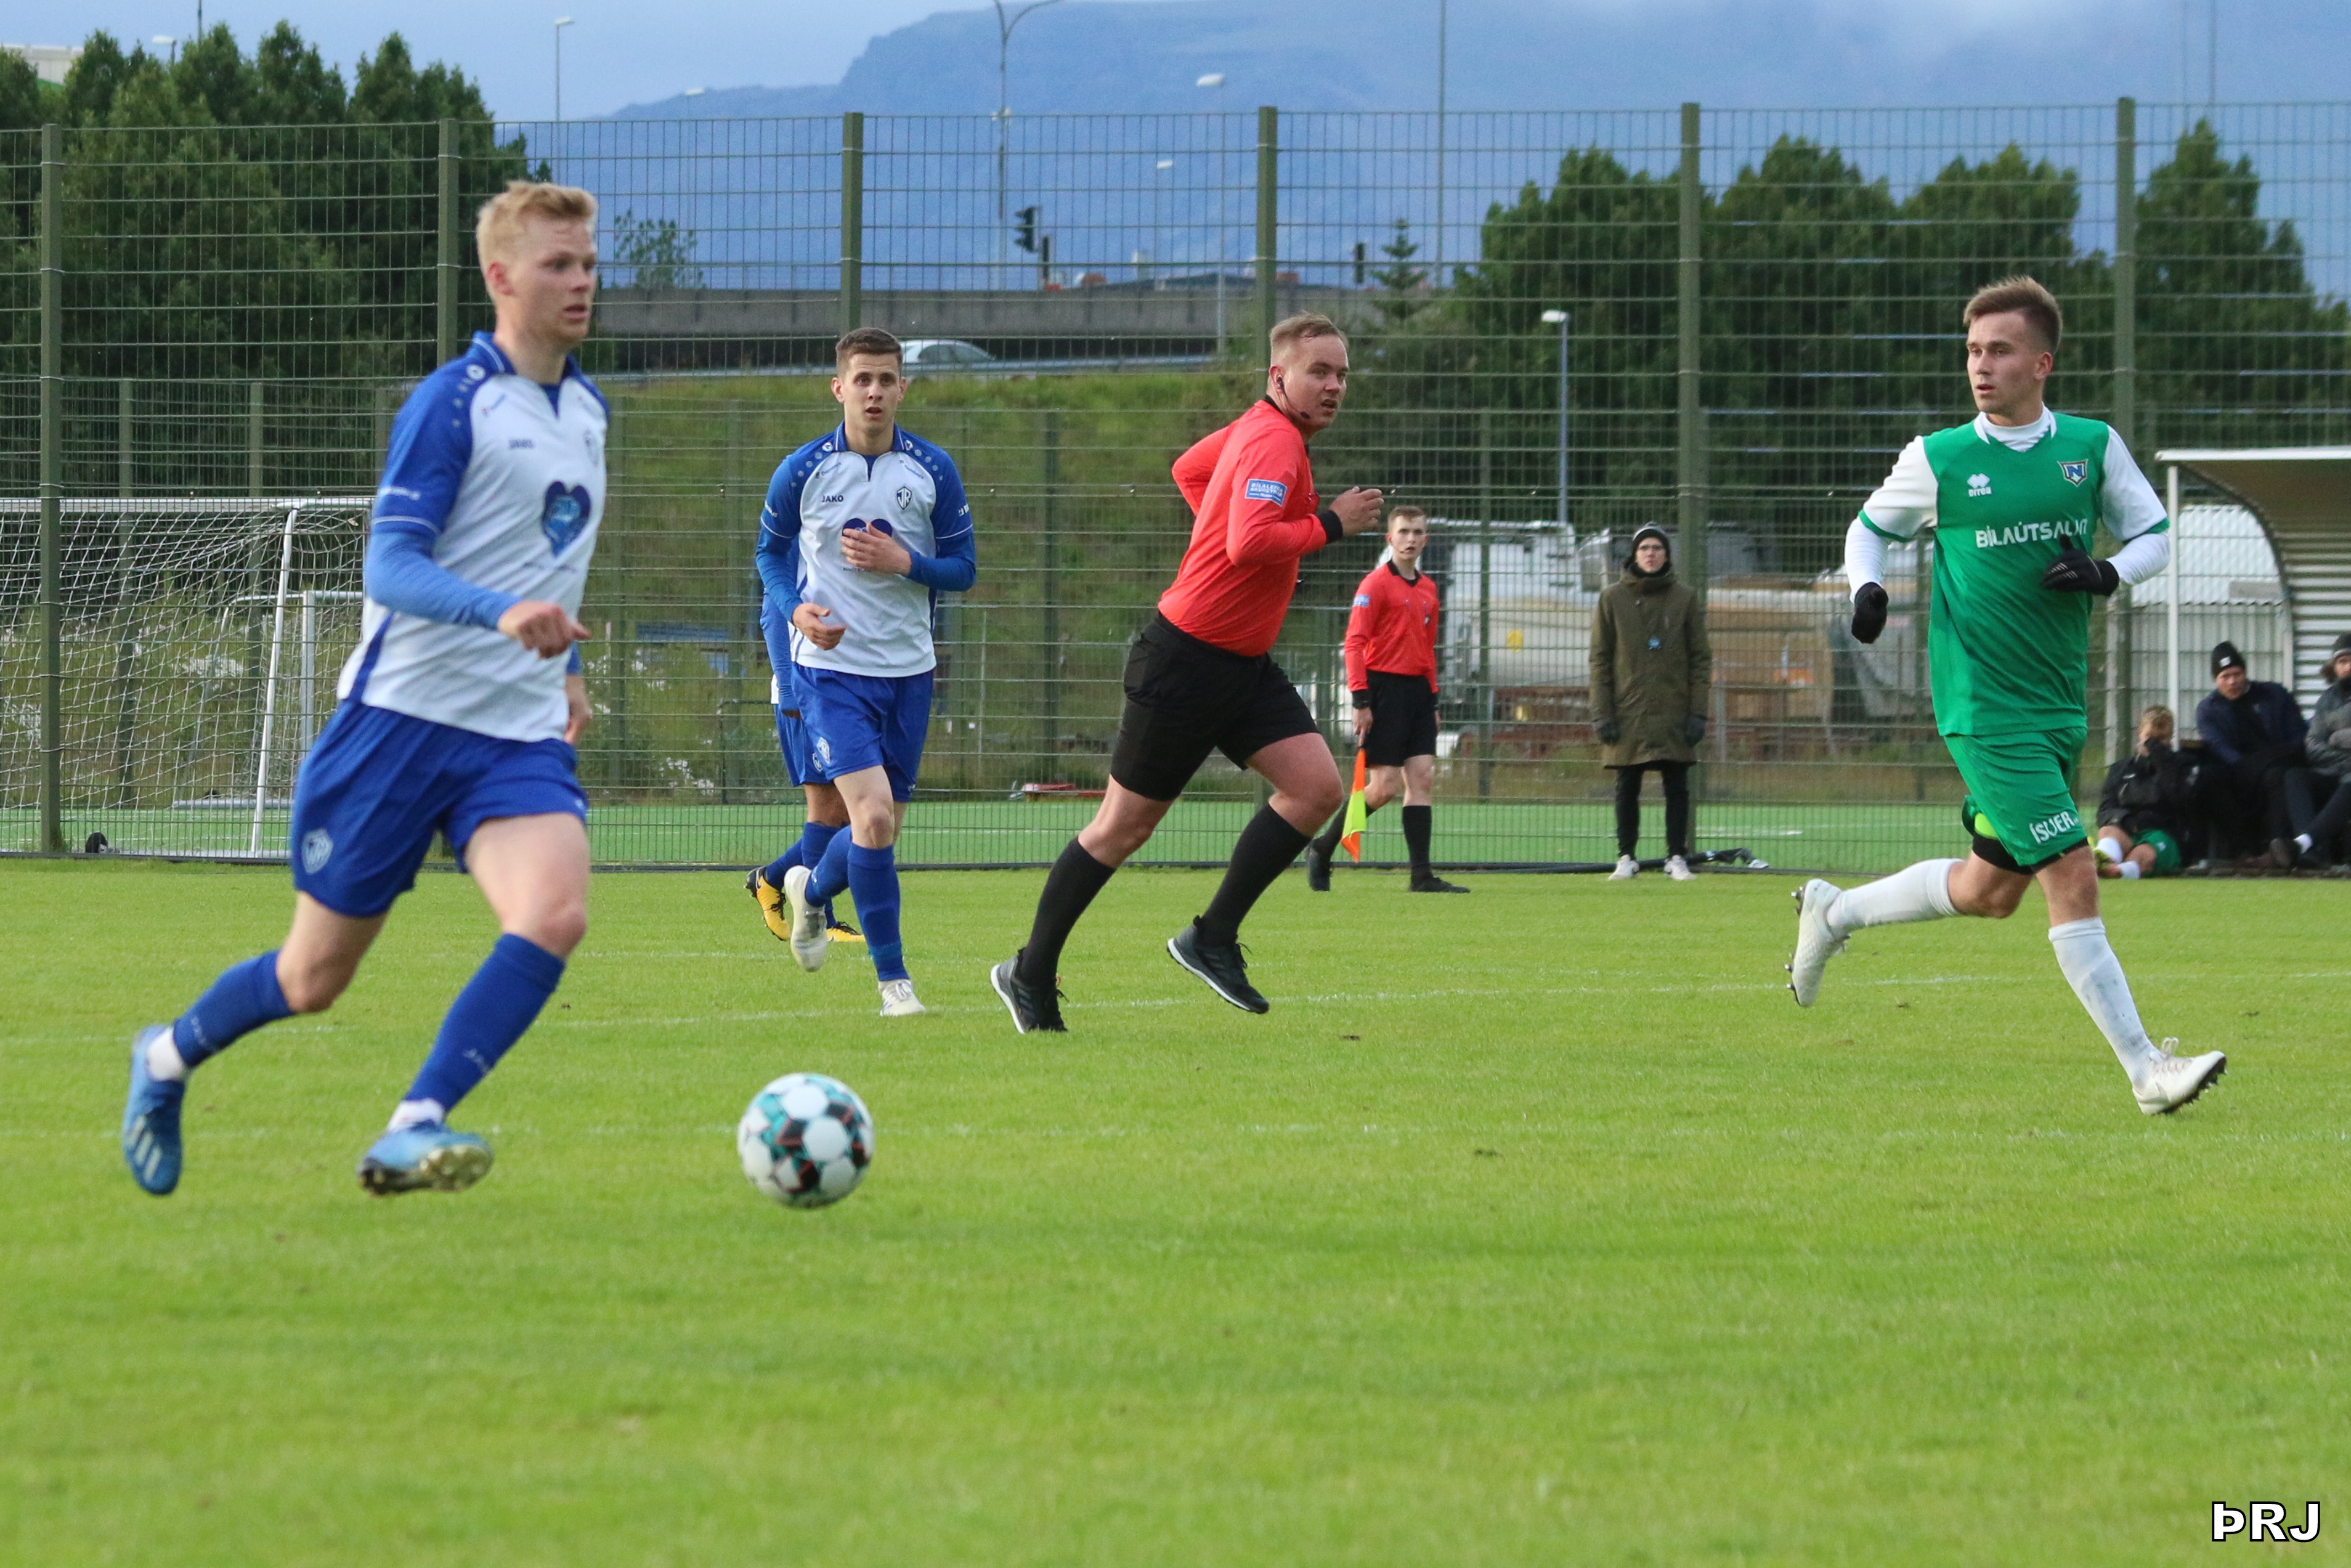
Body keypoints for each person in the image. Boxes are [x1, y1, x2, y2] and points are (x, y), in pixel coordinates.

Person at [120, 181, 608, 1196]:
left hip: (513, 736)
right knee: (312, 979)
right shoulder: (454, 403)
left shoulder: (588, 411)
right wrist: (499, 614)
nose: (580, 282)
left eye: (588, 263)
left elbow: (548, 561)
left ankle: (414, 1122)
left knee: (555, 912)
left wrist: (563, 667)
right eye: (558, 264)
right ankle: (164, 1058)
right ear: (500, 276)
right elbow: (389, 566)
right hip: (399, 725)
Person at [1787, 275, 2225, 1116]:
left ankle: (1834, 911)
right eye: (1972, 351)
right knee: (2074, 872)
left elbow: (2155, 535)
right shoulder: (1942, 458)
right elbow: (1869, 529)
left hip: (2057, 704)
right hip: (1983, 708)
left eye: (1999, 351)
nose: (1980, 367)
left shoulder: (2090, 447)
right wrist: (1865, 588)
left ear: (2042, 363)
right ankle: (2147, 1070)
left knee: (1991, 891)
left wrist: (2106, 572)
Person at [989, 312, 1384, 1032]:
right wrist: (1331, 523)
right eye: (1319, 372)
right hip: (1186, 662)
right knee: (1120, 829)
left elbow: (1190, 472)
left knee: (1317, 788)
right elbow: (1249, 541)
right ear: (1279, 376)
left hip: (1242, 666)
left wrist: (1228, 534)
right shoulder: (1274, 440)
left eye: (1342, 374)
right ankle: (1030, 972)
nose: (1334, 386)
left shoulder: (1258, 429)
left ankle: (1212, 938)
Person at [758, 327, 977, 1017]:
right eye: (863, 379)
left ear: (903, 388)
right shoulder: (803, 470)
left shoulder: (932, 469)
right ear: (839, 388)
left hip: (909, 673)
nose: (874, 391)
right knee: (872, 817)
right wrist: (796, 612)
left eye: (886, 379)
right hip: (830, 671)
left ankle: (810, 890)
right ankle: (895, 985)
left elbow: (964, 569)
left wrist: (905, 563)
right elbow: (769, 555)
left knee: (875, 832)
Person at [1305, 505, 1465, 893]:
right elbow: (1354, 644)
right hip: (1383, 691)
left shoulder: (1429, 589)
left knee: (1422, 779)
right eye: (1404, 532)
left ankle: (1421, 876)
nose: (1411, 539)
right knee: (1383, 788)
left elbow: (1428, 649)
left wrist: (1433, 701)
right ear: (1390, 538)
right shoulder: (1374, 585)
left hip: (1418, 695)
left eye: (1418, 532)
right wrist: (1361, 700)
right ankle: (1323, 848)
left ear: (1426, 539)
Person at [1591, 524, 1712, 882]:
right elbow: (1600, 659)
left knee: (1676, 784)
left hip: (1674, 707)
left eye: (1657, 547)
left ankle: (1676, 857)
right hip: (1628, 708)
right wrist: (1602, 713)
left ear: (1667, 555)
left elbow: (1700, 658)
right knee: (1627, 784)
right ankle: (1626, 857)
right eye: (1644, 548)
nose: (1651, 554)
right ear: (1634, 554)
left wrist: (1698, 711)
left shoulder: (1685, 598)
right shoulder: (1612, 599)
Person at [746, 630, 861, 948]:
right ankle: (824, 924)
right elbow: (772, 615)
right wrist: (788, 688)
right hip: (808, 690)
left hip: (851, 690)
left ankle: (771, 878)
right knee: (826, 811)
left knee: (857, 816)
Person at [2193, 641, 2307, 865]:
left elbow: (2298, 735)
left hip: (2280, 762)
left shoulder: (2274, 694)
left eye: (2236, 674)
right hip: (2239, 769)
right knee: (2209, 778)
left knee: (2277, 775)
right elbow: (2220, 748)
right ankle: (2241, 850)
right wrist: (2248, 767)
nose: (2233, 682)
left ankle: (2276, 847)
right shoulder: (2209, 709)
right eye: (2225, 677)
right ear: (2216, 680)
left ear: (2245, 673)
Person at [2093, 706, 2193, 880]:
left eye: (2161, 739)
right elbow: (2105, 811)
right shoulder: (2121, 769)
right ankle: (2102, 861)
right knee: (2109, 831)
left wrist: (2162, 761)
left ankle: (2119, 872)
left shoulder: (2181, 766)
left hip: (2162, 834)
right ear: (2140, 734)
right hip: (2127, 829)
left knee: (2143, 855)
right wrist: (2126, 820)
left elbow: (2180, 803)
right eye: (2149, 737)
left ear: (2170, 738)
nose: (2153, 745)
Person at [2280, 633, 2351, 867]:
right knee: (2295, 777)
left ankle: (2302, 844)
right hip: (2334, 772)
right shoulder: (2326, 700)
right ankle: (2313, 852)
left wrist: (2336, 737)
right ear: (2334, 667)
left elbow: (2327, 742)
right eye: (2342, 661)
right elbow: (2313, 748)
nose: (2348, 667)